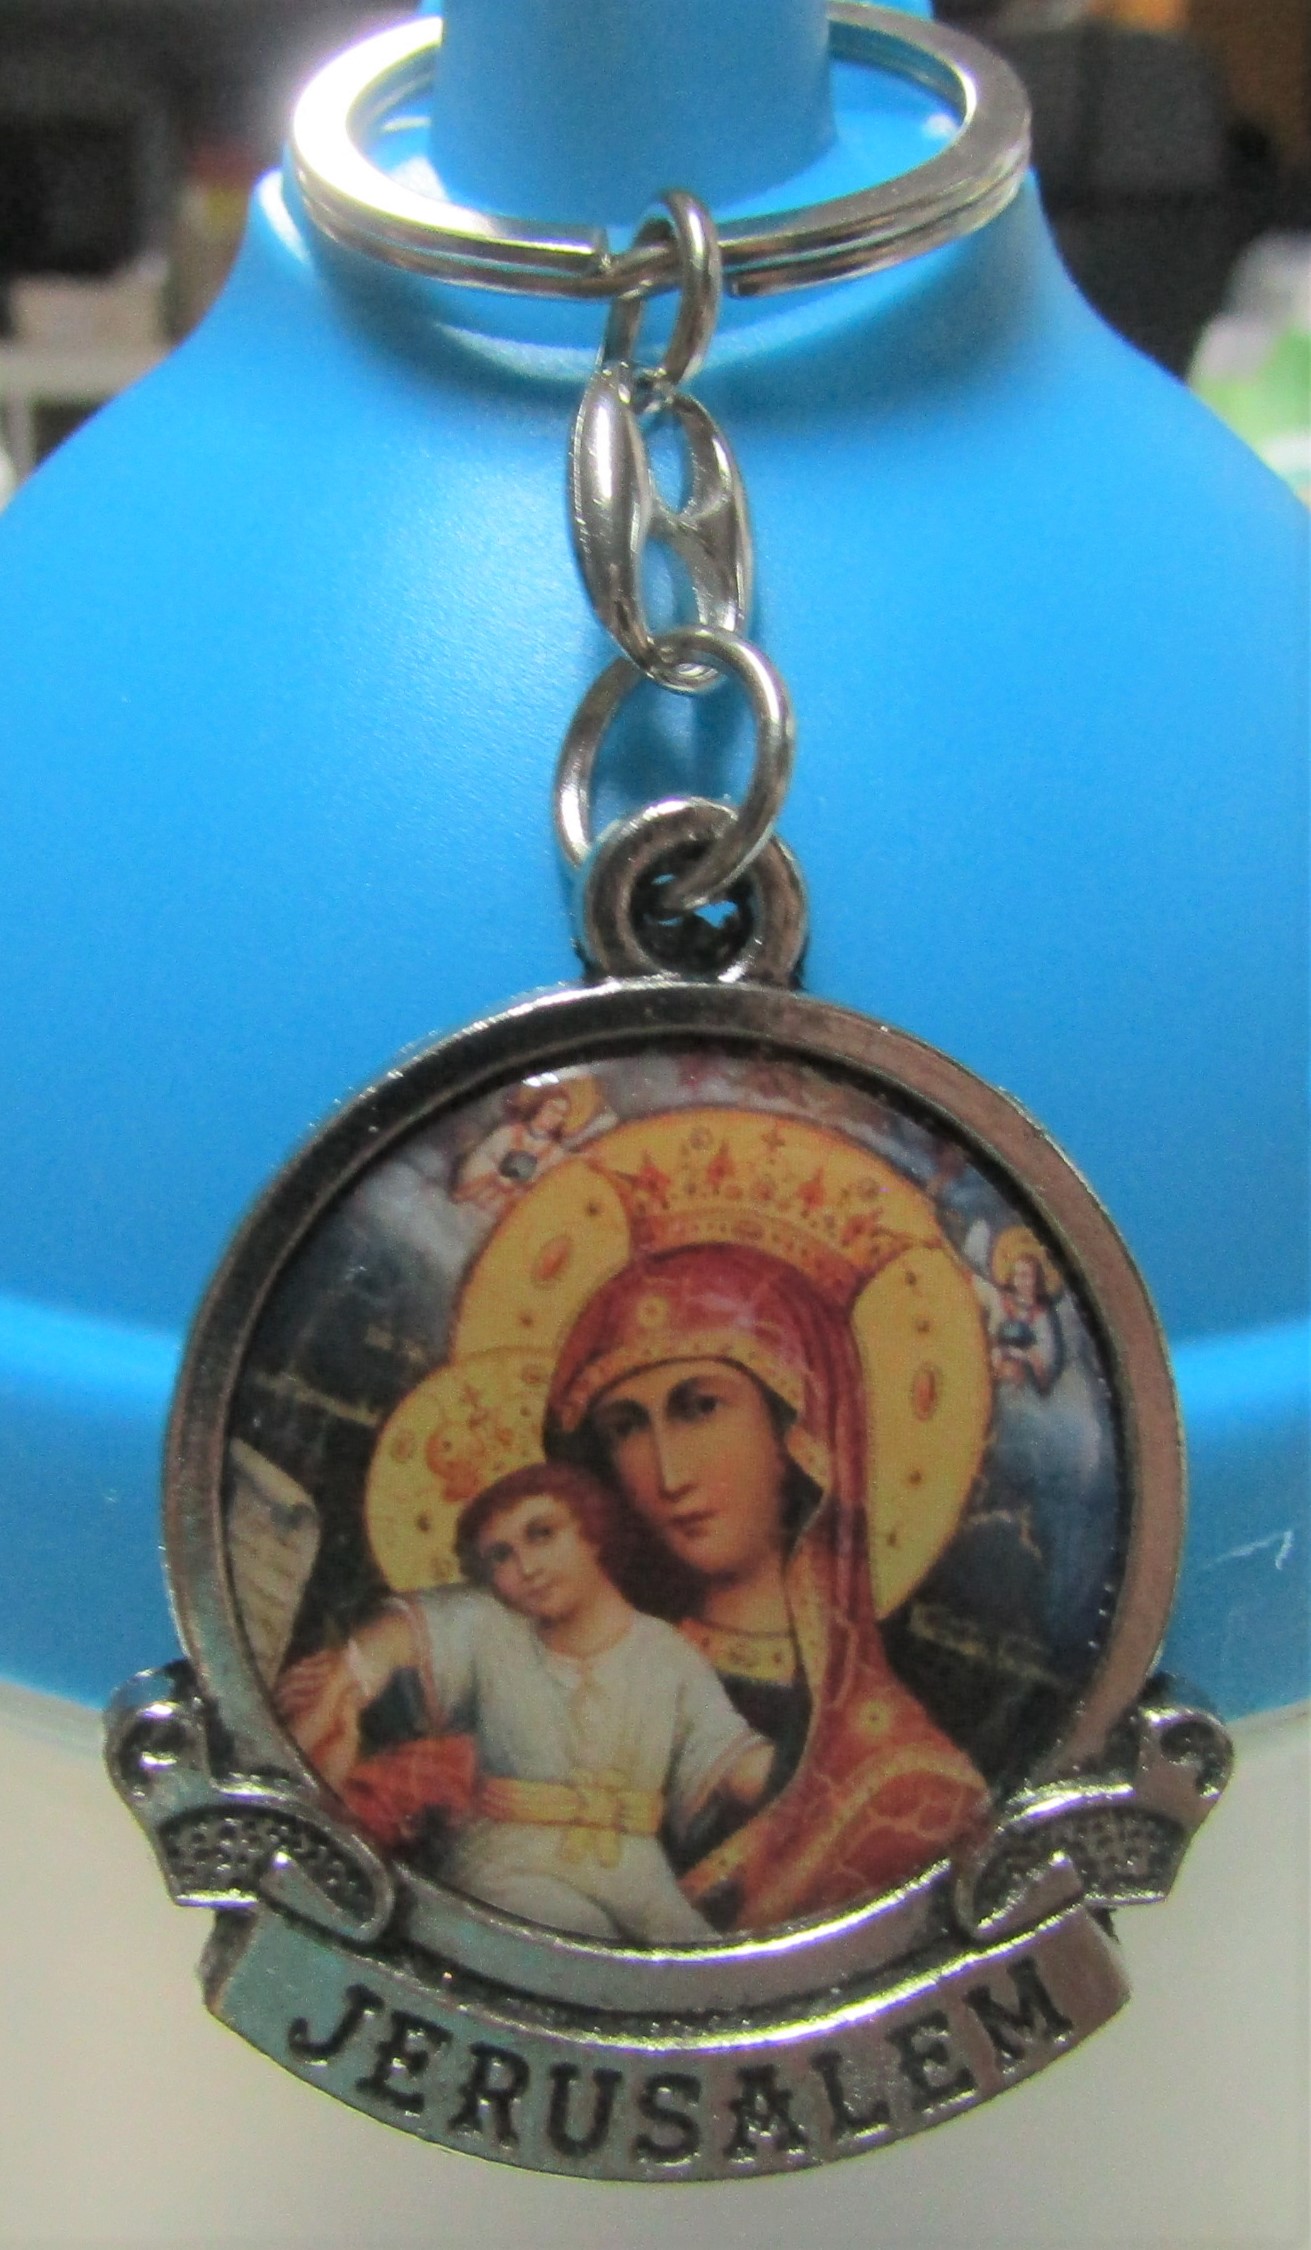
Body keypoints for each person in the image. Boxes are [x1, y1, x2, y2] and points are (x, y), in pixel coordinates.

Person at [545, 1243, 989, 1931]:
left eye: (700, 1407)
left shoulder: (901, 1783)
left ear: (800, 1431)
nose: (669, 1474)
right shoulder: (572, 1668)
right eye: (626, 1427)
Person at [275, 1461, 771, 1944]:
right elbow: (389, 1643)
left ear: (592, 1533)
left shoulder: (666, 1653)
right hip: (509, 1859)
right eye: (501, 1556)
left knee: (689, 1956)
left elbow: (732, 1758)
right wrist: (343, 1676)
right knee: (583, 1939)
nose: (527, 1568)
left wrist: (806, 1779)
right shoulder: (490, 1627)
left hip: (635, 1868)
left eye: (542, 1534)